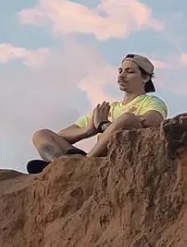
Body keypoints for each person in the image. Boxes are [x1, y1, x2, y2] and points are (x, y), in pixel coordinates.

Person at [27, 53, 168, 174]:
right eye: (120, 71)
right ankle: (60, 165)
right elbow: (62, 135)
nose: (122, 75)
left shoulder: (151, 101)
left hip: (113, 157)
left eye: (130, 72)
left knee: (127, 119)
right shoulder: (108, 108)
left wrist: (103, 125)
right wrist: (89, 130)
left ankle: (84, 163)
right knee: (41, 134)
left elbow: (152, 121)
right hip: (90, 157)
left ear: (145, 78)